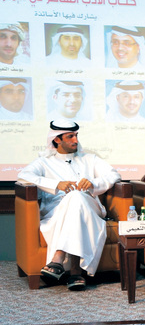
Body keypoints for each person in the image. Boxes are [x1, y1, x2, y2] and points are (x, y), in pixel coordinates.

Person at [17, 119, 121, 290]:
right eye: (70, 136)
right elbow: (23, 176)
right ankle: (75, 272)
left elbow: (114, 175)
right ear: (57, 139)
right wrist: (56, 184)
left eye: (76, 136)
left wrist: (93, 183)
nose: (76, 140)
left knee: (76, 196)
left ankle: (58, 258)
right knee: (74, 197)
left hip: (90, 207)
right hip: (57, 212)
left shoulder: (89, 159)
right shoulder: (44, 162)